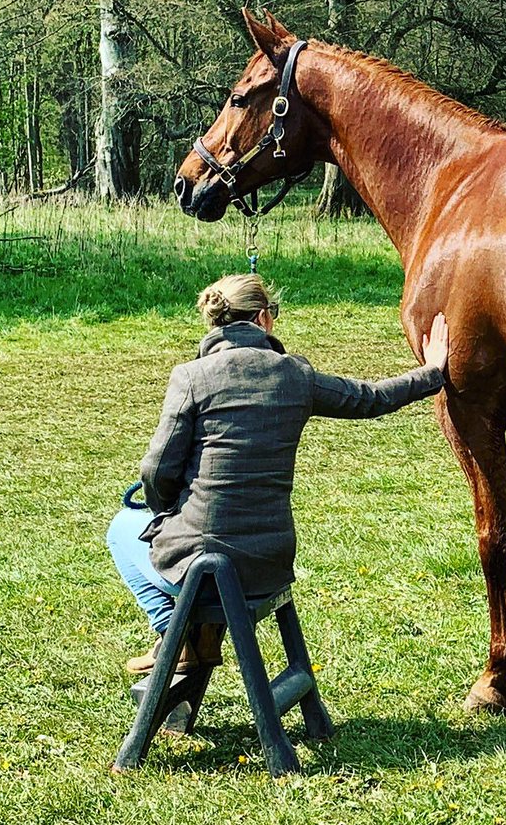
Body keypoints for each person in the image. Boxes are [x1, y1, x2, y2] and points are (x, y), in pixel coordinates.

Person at [107, 273, 449, 674]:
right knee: (194, 544)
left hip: (204, 564)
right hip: (269, 562)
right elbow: (369, 399)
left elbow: (156, 470)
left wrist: (164, 510)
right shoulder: (294, 375)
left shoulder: (191, 377)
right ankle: (192, 637)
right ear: (264, 319)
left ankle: (172, 635)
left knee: (122, 528)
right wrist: (432, 371)